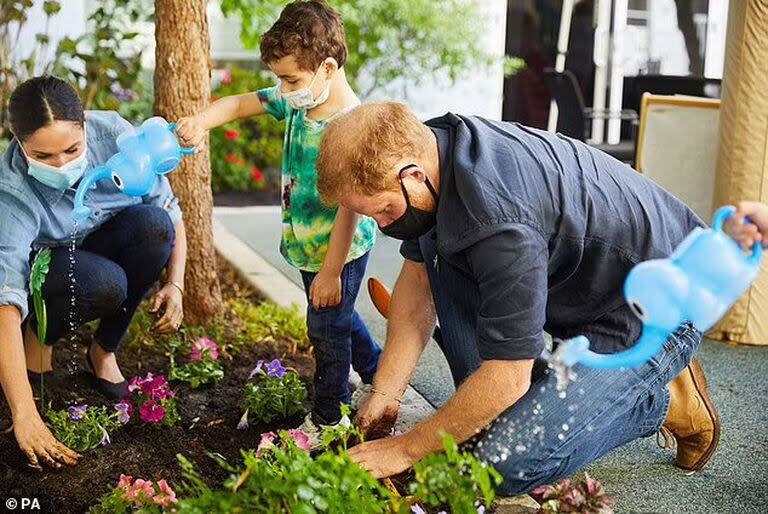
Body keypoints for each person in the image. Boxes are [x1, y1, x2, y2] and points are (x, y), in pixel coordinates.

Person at [314, 101, 720, 494]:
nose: (383, 225)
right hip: (590, 298)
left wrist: (407, 448)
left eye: (383, 211)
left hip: (656, 313)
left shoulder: (500, 219)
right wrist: (386, 394)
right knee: (473, 421)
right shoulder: (436, 150)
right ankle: (567, 391)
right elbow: (418, 283)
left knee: (500, 463)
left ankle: (659, 397)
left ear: (414, 175)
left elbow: (508, 377)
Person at [175, 0, 381, 432]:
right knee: (335, 316)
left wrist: (330, 270)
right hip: (308, 245)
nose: (283, 89)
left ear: (327, 67)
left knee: (325, 328)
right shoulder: (298, 101)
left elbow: (347, 210)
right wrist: (199, 121)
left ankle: (330, 417)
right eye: (280, 79)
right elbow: (234, 105)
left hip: (338, 249)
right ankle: (378, 373)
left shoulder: (351, 126)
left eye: (290, 79)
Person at [0, 76, 187, 469]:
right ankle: (40, 335)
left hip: (103, 243)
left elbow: (170, 210)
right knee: (104, 283)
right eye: (44, 156)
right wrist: (24, 414)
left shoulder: (116, 137)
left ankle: (103, 350)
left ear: (85, 126)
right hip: (51, 270)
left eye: (71, 149)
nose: (62, 164)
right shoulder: (11, 192)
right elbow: (5, 300)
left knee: (154, 227)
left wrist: (176, 284)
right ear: (18, 142)